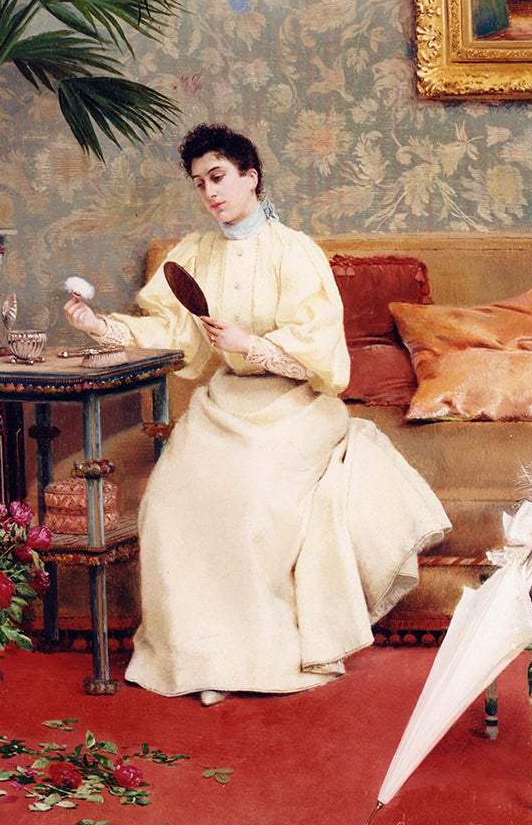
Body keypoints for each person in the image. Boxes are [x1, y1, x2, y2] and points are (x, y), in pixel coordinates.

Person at [64, 123, 451, 706]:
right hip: (225, 402)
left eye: (219, 177)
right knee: (168, 502)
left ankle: (258, 655)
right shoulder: (192, 256)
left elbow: (321, 354)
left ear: (251, 177)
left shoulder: (295, 252)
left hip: (296, 405)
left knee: (251, 503)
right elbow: (172, 332)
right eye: (200, 183)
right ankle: (198, 656)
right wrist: (102, 326)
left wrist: (251, 344)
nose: (210, 192)